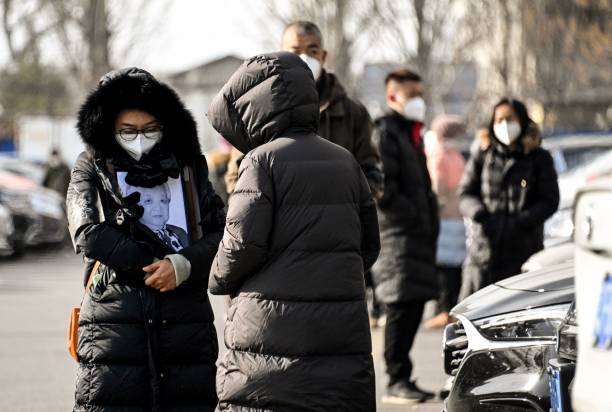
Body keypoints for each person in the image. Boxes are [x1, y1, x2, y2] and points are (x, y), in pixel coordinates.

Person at [207, 52, 381, 412]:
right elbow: (369, 244)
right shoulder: (345, 160)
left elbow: (241, 245)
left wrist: (216, 277)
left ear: (254, 108)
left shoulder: (259, 161)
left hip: (270, 337)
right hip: (340, 334)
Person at [66, 67, 225, 411]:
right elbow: (86, 231)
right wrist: (149, 265)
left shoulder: (188, 166)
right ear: (108, 128)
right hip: (114, 323)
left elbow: (221, 232)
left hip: (184, 323)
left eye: (150, 129)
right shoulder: (90, 166)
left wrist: (182, 265)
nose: (140, 138)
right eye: (128, 131)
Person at [371, 69, 439, 404]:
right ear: (392, 97)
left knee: (412, 305)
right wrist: (413, 216)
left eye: (420, 94)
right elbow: (384, 188)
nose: (418, 101)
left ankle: (404, 377)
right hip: (397, 237)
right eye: (411, 94)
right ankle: (396, 379)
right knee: (400, 305)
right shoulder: (385, 133)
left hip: (415, 236)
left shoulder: (410, 134)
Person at [458, 98, 559, 300]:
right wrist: (481, 215)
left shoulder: (539, 157)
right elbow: (466, 193)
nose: (504, 125)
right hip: (484, 250)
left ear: (521, 120)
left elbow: (550, 200)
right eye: (499, 120)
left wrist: (523, 221)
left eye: (510, 119)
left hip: (523, 249)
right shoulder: (483, 154)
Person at [423, 115, 467, 329]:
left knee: (443, 268)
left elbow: (437, 189)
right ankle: (453, 308)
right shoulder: (457, 155)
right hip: (458, 217)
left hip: (444, 219)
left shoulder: (439, 157)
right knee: (455, 268)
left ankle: (444, 310)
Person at [124, 182, 189, 251]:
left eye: (162, 200)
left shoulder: (180, 233)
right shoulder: (131, 239)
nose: (158, 208)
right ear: (134, 207)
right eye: (148, 201)